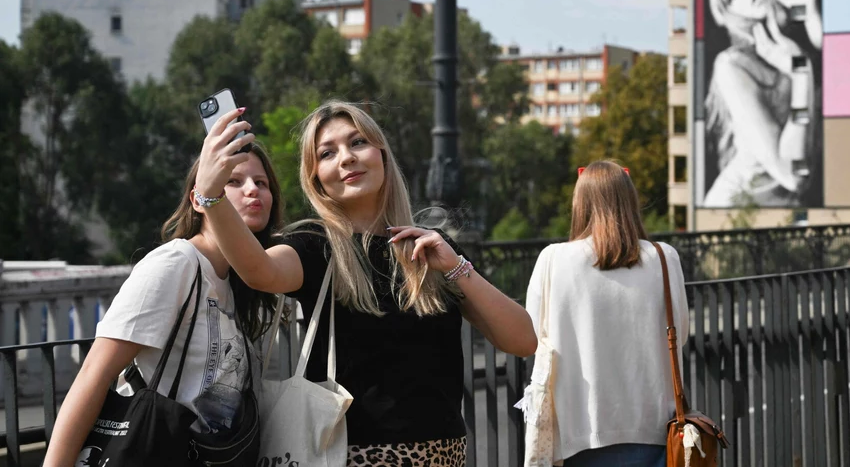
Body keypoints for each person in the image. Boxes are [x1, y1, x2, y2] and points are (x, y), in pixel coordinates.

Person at [193, 100, 537, 466]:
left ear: (382, 155)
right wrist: (211, 195)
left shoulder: (427, 247)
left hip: (445, 456)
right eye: (327, 153)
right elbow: (258, 270)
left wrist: (456, 266)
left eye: (357, 143)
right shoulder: (313, 245)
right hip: (352, 456)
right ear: (316, 178)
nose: (346, 158)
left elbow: (522, 339)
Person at [45, 142, 285, 467]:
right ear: (198, 200)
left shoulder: (240, 281)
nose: (252, 191)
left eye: (262, 183)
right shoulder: (176, 263)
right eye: (233, 180)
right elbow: (94, 374)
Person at [525, 161, 689, 467]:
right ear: (630, 202)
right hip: (656, 431)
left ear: (580, 203)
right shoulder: (665, 258)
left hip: (579, 434)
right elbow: (680, 332)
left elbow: (529, 337)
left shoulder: (553, 260)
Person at [703, 0, 823, 208]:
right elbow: (793, 174)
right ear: (730, 12)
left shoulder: (802, 41)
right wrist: (801, 74)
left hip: (785, 212)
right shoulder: (733, 65)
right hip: (736, 209)